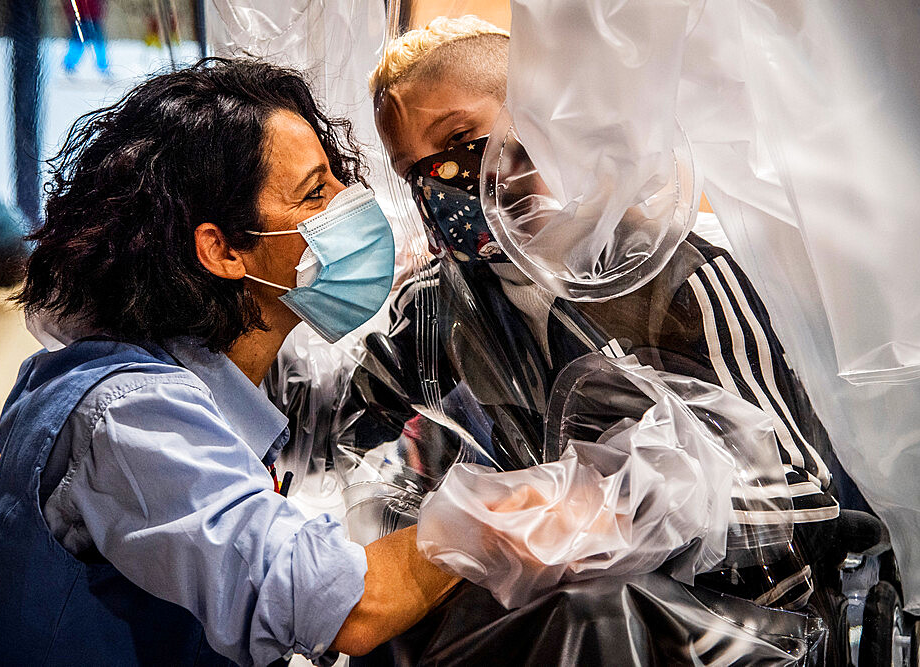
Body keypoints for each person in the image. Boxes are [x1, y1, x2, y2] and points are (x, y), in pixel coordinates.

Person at [0, 58, 457, 666]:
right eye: (316, 193)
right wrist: (499, 523)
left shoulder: (231, 381)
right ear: (223, 249)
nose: (353, 204)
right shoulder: (129, 416)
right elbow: (341, 605)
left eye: (339, 179)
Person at [359, 16, 844, 614]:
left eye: (460, 138)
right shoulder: (431, 311)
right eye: (413, 170)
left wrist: (613, 509)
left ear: (537, 119)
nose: (442, 181)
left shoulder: (680, 278)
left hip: (720, 637)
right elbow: (368, 467)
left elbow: (800, 497)